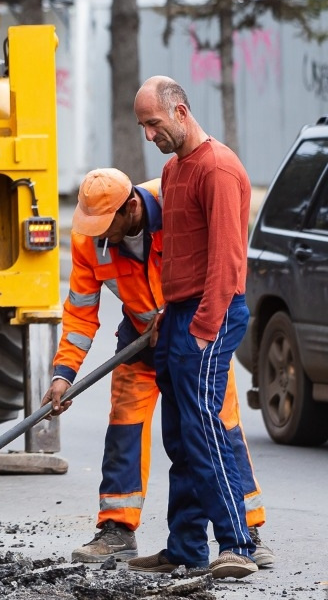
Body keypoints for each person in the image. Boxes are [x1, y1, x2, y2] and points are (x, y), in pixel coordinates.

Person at [47, 167, 273, 570]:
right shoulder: (89, 240)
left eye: (106, 225)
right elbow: (80, 313)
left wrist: (175, 315)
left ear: (131, 207)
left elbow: (219, 264)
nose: (99, 235)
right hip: (140, 341)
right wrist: (63, 373)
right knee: (124, 427)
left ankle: (249, 530)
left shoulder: (176, 207)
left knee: (217, 426)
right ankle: (117, 528)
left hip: (197, 338)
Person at [124, 75, 261, 579]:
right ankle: (185, 547)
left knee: (204, 428)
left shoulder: (218, 169)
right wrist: (168, 311)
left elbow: (226, 261)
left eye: (153, 123)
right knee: (181, 436)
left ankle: (238, 545)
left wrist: (203, 326)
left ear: (180, 112)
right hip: (181, 314)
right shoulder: (174, 169)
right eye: (142, 126)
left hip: (213, 312)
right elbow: (181, 254)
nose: (148, 134)